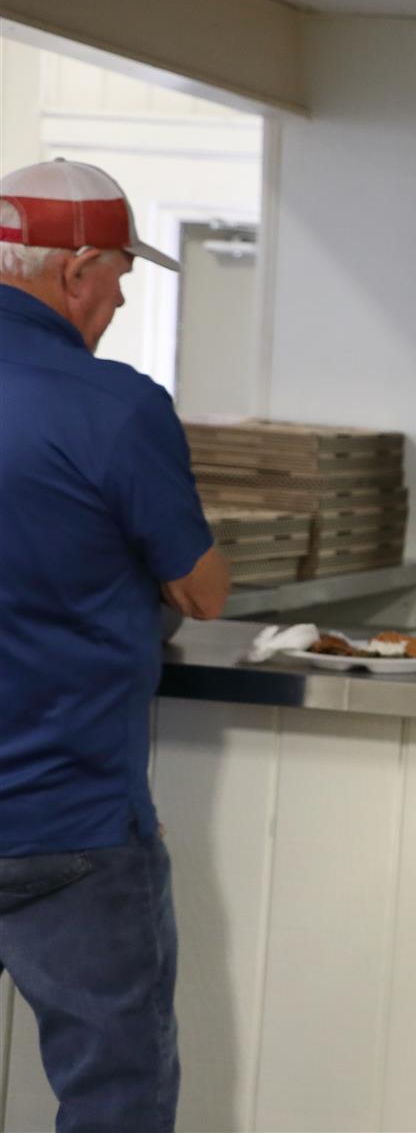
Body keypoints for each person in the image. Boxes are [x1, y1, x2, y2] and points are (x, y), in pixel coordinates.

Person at [0, 158, 230, 1132]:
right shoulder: (115, 406)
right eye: (121, 276)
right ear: (76, 268)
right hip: (71, 820)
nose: (123, 300)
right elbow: (202, 591)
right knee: (115, 1102)